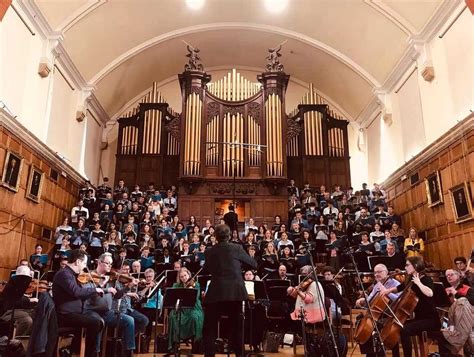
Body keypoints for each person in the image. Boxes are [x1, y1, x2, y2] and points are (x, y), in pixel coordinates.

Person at [202, 224, 257, 357]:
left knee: (209, 329)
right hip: (235, 293)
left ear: (215, 236)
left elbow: (207, 269)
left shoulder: (209, 251)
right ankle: (239, 354)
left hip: (216, 293)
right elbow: (253, 264)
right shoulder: (237, 248)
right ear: (230, 236)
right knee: (237, 327)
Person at [380, 256, 440, 357]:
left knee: (404, 330)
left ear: (415, 266)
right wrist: (388, 291)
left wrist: (419, 283)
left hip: (431, 320)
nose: (405, 267)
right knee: (395, 328)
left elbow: (430, 293)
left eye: (407, 265)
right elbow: (399, 288)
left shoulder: (426, 279)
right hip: (419, 318)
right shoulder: (410, 280)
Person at [52, 249, 104, 357]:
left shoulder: (71, 274)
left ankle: (74, 350)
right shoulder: (64, 274)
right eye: (84, 263)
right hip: (64, 315)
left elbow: (79, 293)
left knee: (97, 321)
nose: (84, 266)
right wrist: (94, 290)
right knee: (95, 323)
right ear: (77, 262)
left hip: (73, 313)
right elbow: (76, 292)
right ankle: (86, 354)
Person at [355, 263, 401, 357]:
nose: (376, 274)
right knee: (360, 322)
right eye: (375, 272)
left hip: (392, 315)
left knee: (375, 326)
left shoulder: (396, 284)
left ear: (387, 272)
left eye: (379, 272)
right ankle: (370, 354)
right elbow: (369, 301)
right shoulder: (377, 285)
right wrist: (363, 301)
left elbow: (399, 300)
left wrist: (386, 292)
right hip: (378, 314)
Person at [167, 267, 204, 351]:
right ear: (179, 278)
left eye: (185, 275)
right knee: (172, 317)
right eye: (181, 277)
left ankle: (196, 342)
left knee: (194, 317)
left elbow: (196, 297)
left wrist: (190, 291)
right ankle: (175, 343)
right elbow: (173, 298)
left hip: (193, 307)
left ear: (189, 274)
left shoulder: (195, 284)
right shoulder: (176, 285)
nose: (184, 278)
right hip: (180, 308)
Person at [0, 265, 37, 336]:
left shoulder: (18, 284)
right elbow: (13, 299)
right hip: (5, 312)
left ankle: (29, 338)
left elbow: (18, 296)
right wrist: (29, 300)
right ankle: (16, 340)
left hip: (13, 309)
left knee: (36, 313)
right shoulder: (11, 286)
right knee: (27, 320)